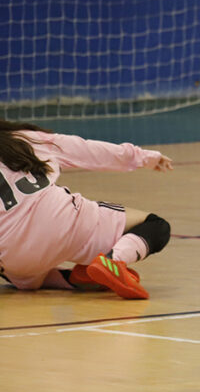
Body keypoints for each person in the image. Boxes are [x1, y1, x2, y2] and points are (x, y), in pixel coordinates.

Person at [0, 119, 173, 299]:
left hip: (16, 258)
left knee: (14, 269)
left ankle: (70, 279)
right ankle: (113, 261)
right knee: (155, 225)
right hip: (68, 223)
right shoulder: (25, 138)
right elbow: (89, 150)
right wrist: (144, 157)